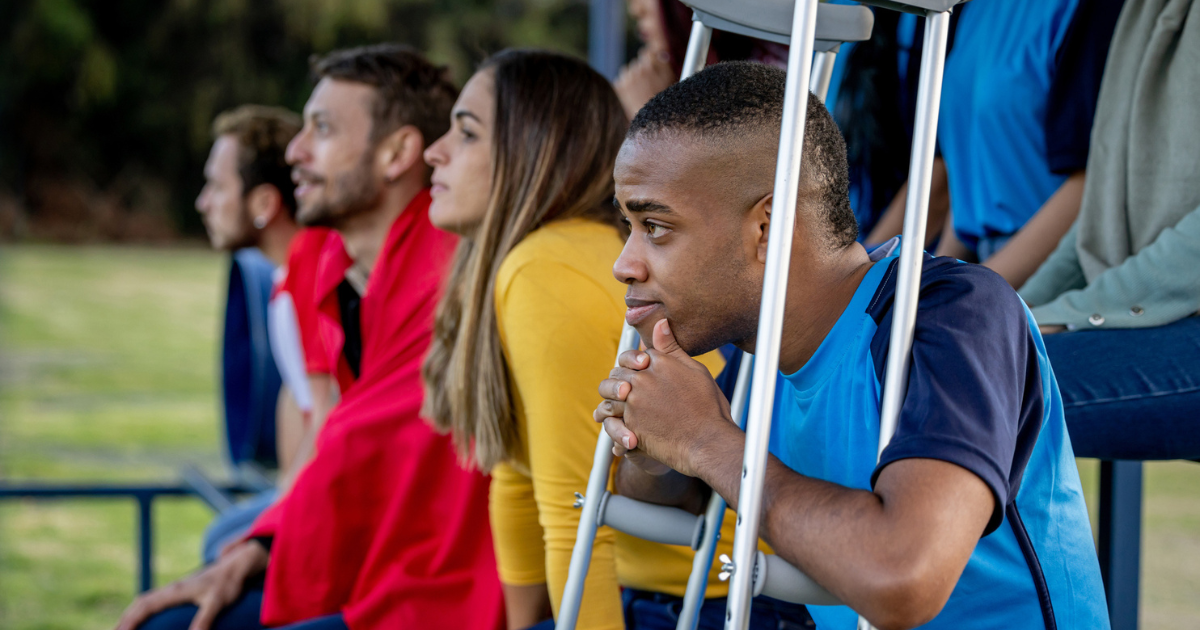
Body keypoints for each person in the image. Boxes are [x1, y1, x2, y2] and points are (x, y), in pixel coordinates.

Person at [595, 62, 1108, 630]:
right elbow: (675, 494)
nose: (624, 265)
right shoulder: (756, 358)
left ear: (767, 226)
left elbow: (903, 578)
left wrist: (703, 439)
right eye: (628, 226)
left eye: (656, 227)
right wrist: (654, 445)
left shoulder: (949, 315)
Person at [116, 44, 504, 630]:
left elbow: (355, 436)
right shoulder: (344, 269)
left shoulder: (441, 268)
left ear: (397, 152)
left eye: (320, 129)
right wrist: (263, 541)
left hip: (436, 588)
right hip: (383, 554)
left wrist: (266, 540)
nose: (295, 152)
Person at [420, 49, 806, 630]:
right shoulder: (534, 260)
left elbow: (575, 516)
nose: (436, 150)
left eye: (467, 133)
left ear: (535, 151)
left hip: (718, 604)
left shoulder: (544, 269)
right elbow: (517, 480)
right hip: (670, 599)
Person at [1020, 0, 1200, 460]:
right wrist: (1013, 311)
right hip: (1157, 310)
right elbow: (1100, 213)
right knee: (948, 371)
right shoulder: (1136, 11)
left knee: (967, 388)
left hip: (1176, 315)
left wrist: (1068, 312)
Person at [194, 105, 335, 563]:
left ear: (263, 205)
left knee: (222, 543)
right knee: (221, 537)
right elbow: (297, 398)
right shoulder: (285, 278)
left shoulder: (312, 269)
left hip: (326, 499)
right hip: (306, 489)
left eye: (217, 187)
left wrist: (279, 521)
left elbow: (326, 414)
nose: (203, 203)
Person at [919, 0, 1125, 289]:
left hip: (1057, 272)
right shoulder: (971, 9)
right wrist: (928, 289)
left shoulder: (1086, 10)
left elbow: (1091, 181)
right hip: (981, 266)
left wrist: (967, 294)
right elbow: (972, 181)